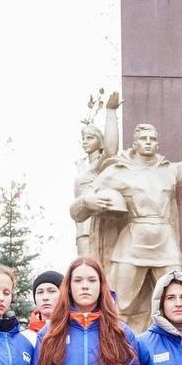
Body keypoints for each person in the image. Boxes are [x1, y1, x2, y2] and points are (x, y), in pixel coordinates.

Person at [73, 108, 182, 331]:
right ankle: (111, 348)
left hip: (165, 243)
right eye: (143, 139)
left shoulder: (169, 170)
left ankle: (180, 346)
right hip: (131, 243)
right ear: (134, 143)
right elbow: (80, 207)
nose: (148, 142)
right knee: (118, 304)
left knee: (180, 301)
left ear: (158, 144)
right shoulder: (119, 171)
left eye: (152, 139)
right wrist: (88, 203)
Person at [71, 92, 119, 259]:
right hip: (81, 226)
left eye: (90, 138)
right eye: (84, 138)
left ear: (100, 141)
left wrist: (110, 113)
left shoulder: (101, 165)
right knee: (84, 269)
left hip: (97, 224)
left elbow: (111, 150)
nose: (85, 141)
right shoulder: (82, 166)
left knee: (97, 271)